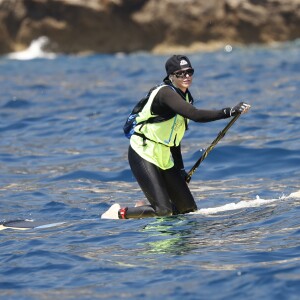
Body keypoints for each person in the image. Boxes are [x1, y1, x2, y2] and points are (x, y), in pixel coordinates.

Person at [101, 55, 251, 219]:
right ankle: (118, 213)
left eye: (189, 72)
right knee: (163, 211)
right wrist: (228, 112)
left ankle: (145, 207)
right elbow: (195, 115)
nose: (186, 76)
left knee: (188, 209)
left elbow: (174, 139)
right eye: (180, 73)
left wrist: (180, 170)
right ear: (171, 76)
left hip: (164, 155)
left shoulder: (186, 96)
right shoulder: (165, 93)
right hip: (143, 152)